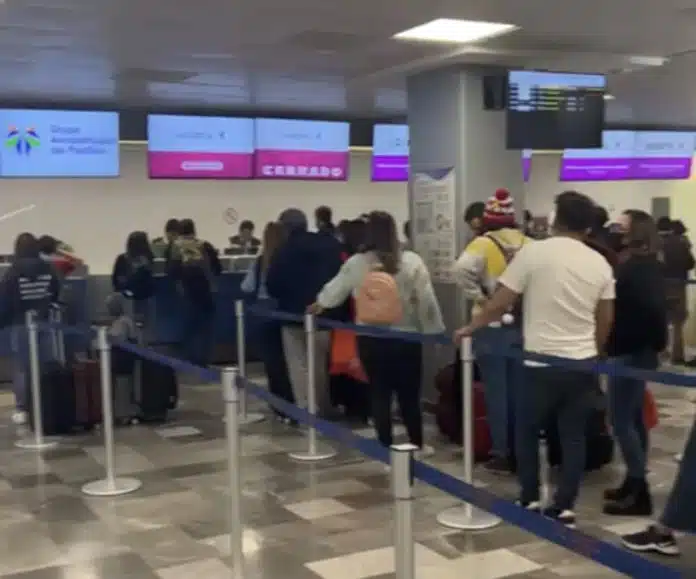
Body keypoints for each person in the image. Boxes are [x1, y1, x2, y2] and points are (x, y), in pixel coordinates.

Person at [454, 191, 615, 527]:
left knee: (526, 432)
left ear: (556, 220)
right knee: (572, 437)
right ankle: (565, 506)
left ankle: (529, 497)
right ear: (587, 226)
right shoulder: (599, 262)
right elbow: (605, 317)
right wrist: (594, 351)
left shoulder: (533, 253)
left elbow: (499, 302)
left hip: (539, 363)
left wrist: (471, 326)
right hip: (580, 364)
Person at [309, 211, 444, 454]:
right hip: (407, 337)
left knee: (379, 391)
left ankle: (384, 445)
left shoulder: (357, 262)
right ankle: (416, 444)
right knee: (409, 394)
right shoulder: (411, 261)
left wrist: (320, 303)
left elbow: (335, 290)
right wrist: (433, 331)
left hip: (369, 337)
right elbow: (426, 300)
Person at [452, 188, 530, 474]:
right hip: (523, 324)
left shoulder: (482, 244)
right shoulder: (528, 243)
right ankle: (523, 450)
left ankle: (502, 452)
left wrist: (482, 298)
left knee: (497, 392)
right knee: (521, 392)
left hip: (489, 325)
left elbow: (460, 270)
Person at [603, 210, 667, 516]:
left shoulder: (638, 268)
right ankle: (633, 479)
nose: (617, 227)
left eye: (623, 223)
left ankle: (639, 488)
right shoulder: (646, 264)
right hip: (637, 349)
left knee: (621, 420)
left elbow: (651, 311)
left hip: (630, 350)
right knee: (634, 417)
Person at [266, 208, 343, 416]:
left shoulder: (283, 249)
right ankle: (324, 406)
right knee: (320, 365)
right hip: (324, 314)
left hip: (291, 316)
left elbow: (272, 284)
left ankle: (306, 410)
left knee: (298, 365)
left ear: (285, 227)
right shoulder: (329, 244)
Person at [0, 233, 61, 424]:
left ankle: (22, 408)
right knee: (42, 366)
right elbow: (55, 291)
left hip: (20, 324)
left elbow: (6, 300)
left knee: (22, 368)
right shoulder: (48, 268)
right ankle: (43, 405)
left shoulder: (12, 272)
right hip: (43, 322)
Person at [241, 222, 296, 422]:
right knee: (289, 360)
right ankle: (293, 401)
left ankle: (277, 403)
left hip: (263, 315)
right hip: (285, 312)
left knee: (272, 363)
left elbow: (246, 287)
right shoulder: (289, 259)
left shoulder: (259, 261)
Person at [167, 219, 222, 367]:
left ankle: (190, 359)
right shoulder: (204, 245)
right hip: (205, 290)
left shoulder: (175, 247)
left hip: (186, 291)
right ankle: (205, 359)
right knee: (206, 327)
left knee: (189, 327)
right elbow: (217, 268)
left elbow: (171, 271)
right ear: (194, 230)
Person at [658, 216, 694, 364]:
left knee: (661, 319)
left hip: (661, 284)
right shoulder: (682, 242)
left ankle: (661, 353)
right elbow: (691, 263)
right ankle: (677, 355)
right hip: (679, 283)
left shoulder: (658, 243)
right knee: (678, 321)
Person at [111, 231, 156, 322]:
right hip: (128, 294)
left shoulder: (149, 261)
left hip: (143, 295)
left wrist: (143, 269)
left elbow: (151, 284)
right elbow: (117, 282)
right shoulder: (122, 260)